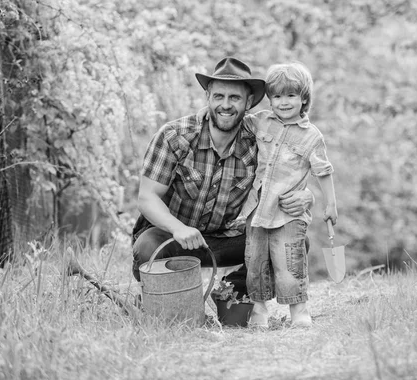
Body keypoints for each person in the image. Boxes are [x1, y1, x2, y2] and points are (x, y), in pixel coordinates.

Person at [131, 57, 313, 297]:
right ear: (208, 97)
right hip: (172, 237)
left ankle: (227, 295)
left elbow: (291, 170)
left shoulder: (259, 140)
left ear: (248, 102)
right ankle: (173, 300)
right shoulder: (175, 136)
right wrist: (178, 229)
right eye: (219, 96)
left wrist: (305, 195)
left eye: (234, 98)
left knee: (294, 241)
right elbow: (147, 198)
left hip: (226, 239)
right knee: (147, 246)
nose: (225, 105)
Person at [240, 62, 338, 328]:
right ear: (270, 99)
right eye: (277, 96)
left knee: (289, 261)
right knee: (255, 262)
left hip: (288, 212)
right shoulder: (261, 121)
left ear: (304, 98)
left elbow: (323, 171)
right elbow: (237, 118)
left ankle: (299, 310)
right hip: (258, 208)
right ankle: (259, 310)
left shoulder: (310, 136)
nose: (284, 102)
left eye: (291, 95)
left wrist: (330, 204)